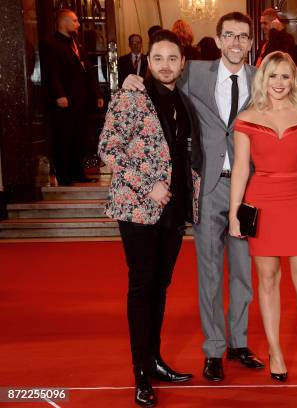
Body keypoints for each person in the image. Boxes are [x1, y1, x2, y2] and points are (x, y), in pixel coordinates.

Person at [124, 11, 265, 382]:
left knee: (242, 273)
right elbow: (161, 74)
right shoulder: (194, 73)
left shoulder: (262, 79)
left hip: (248, 190)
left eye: (243, 37)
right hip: (207, 187)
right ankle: (214, 350)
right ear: (218, 41)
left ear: (251, 43)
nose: (236, 43)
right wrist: (132, 79)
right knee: (209, 273)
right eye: (229, 36)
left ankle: (238, 343)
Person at [99, 29, 200, 407]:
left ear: (182, 63)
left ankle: (154, 360)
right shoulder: (130, 95)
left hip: (172, 210)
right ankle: (140, 372)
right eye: (158, 58)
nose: (166, 65)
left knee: (160, 287)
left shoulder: (182, 100)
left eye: (173, 59)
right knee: (142, 287)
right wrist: (148, 185)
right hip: (139, 207)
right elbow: (108, 147)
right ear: (147, 62)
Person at [228, 51, 297, 387]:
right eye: (273, 76)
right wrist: (234, 214)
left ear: (294, 80)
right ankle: (275, 351)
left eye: (286, 76)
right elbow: (241, 169)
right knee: (267, 281)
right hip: (261, 201)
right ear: (263, 79)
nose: (279, 83)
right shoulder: (248, 118)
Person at [40, 8, 103, 186]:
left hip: (79, 101)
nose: (78, 24)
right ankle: (64, 176)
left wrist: (96, 93)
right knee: (63, 139)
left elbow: (88, 72)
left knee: (78, 138)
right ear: (63, 22)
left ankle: (78, 173)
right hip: (63, 101)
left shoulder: (77, 44)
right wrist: (59, 94)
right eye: (74, 21)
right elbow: (51, 73)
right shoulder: (50, 44)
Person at [255, 8, 297, 81]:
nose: (262, 27)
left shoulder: (288, 44)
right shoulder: (263, 44)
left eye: (265, 23)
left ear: (275, 23)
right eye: (261, 23)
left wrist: (288, 82)